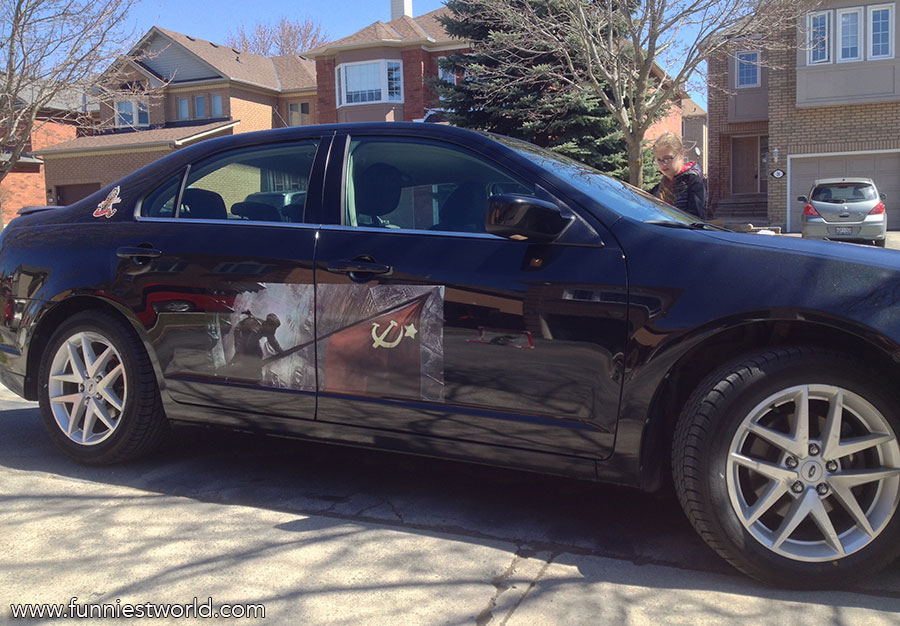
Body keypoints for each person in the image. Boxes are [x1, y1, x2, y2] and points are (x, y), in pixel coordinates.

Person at [650, 132, 707, 220]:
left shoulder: (693, 182)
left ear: (681, 154)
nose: (663, 164)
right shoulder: (658, 187)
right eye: (659, 160)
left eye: (668, 158)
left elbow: (694, 217)